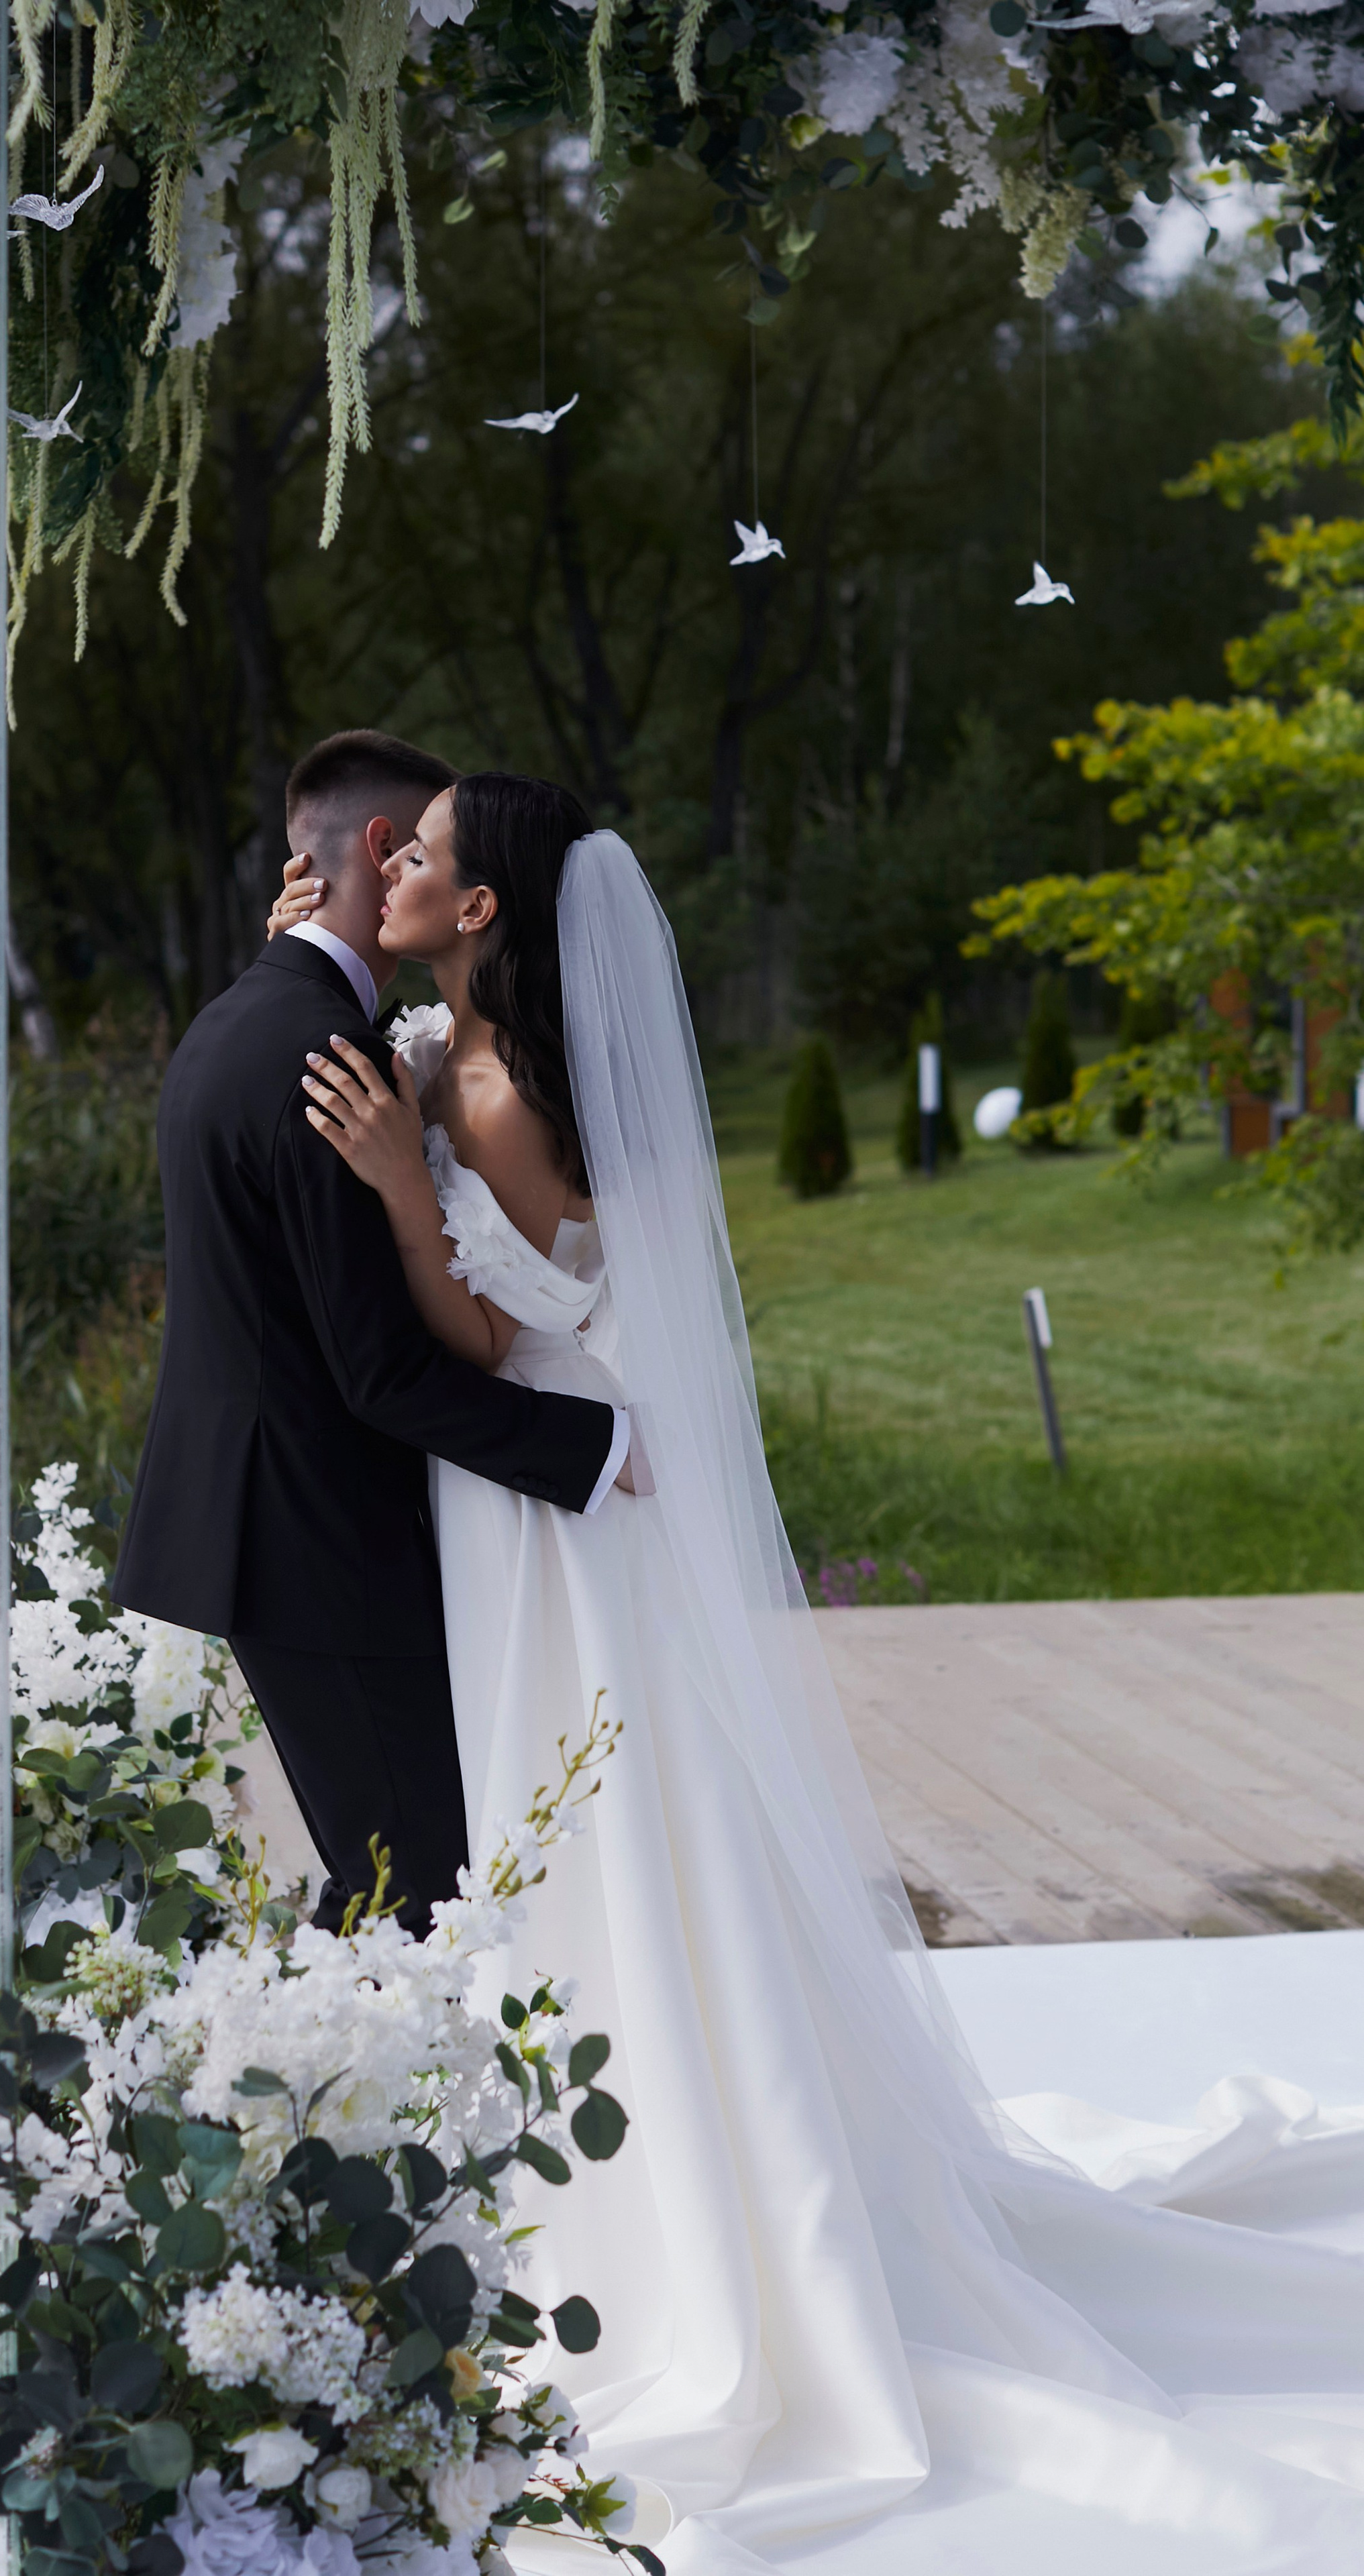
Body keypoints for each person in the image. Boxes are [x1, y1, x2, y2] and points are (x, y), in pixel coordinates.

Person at [273, 777, 1364, 2574]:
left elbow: (498, 1327)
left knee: (604, 1831)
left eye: (422, 853)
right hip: (538, 1506)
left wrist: (405, 1189)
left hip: (553, 1514)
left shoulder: (486, 1096)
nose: (387, 862)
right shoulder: (455, 1055)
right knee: (603, 1834)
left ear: (482, 918)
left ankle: (670, 2204)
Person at [109, 732, 628, 1941]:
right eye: (405, 856)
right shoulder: (325, 1058)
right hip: (317, 1540)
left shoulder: (259, 1021)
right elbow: (383, 1369)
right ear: (385, 852)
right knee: (419, 1890)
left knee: (415, 1870)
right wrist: (589, 1452)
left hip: (296, 1529)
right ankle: (360, 2117)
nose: (404, 884)